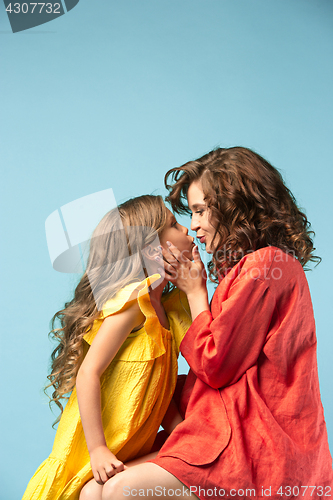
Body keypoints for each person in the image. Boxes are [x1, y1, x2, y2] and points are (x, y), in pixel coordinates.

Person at [98, 147, 333, 500]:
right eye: (189, 214)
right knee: (94, 489)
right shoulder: (244, 272)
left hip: (254, 450)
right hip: (220, 437)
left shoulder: (269, 266)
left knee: (121, 490)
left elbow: (215, 364)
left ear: (234, 205)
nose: (193, 225)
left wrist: (195, 291)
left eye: (199, 211)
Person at [22, 195, 195, 500]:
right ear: (153, 248)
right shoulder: (133, 304)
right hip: (101, 444)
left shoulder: (166, 310)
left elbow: (153, 387)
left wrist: (179, 428)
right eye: (173, 224)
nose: (187, 229)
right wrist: (98, 449)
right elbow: (88, 372)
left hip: (127, 445)